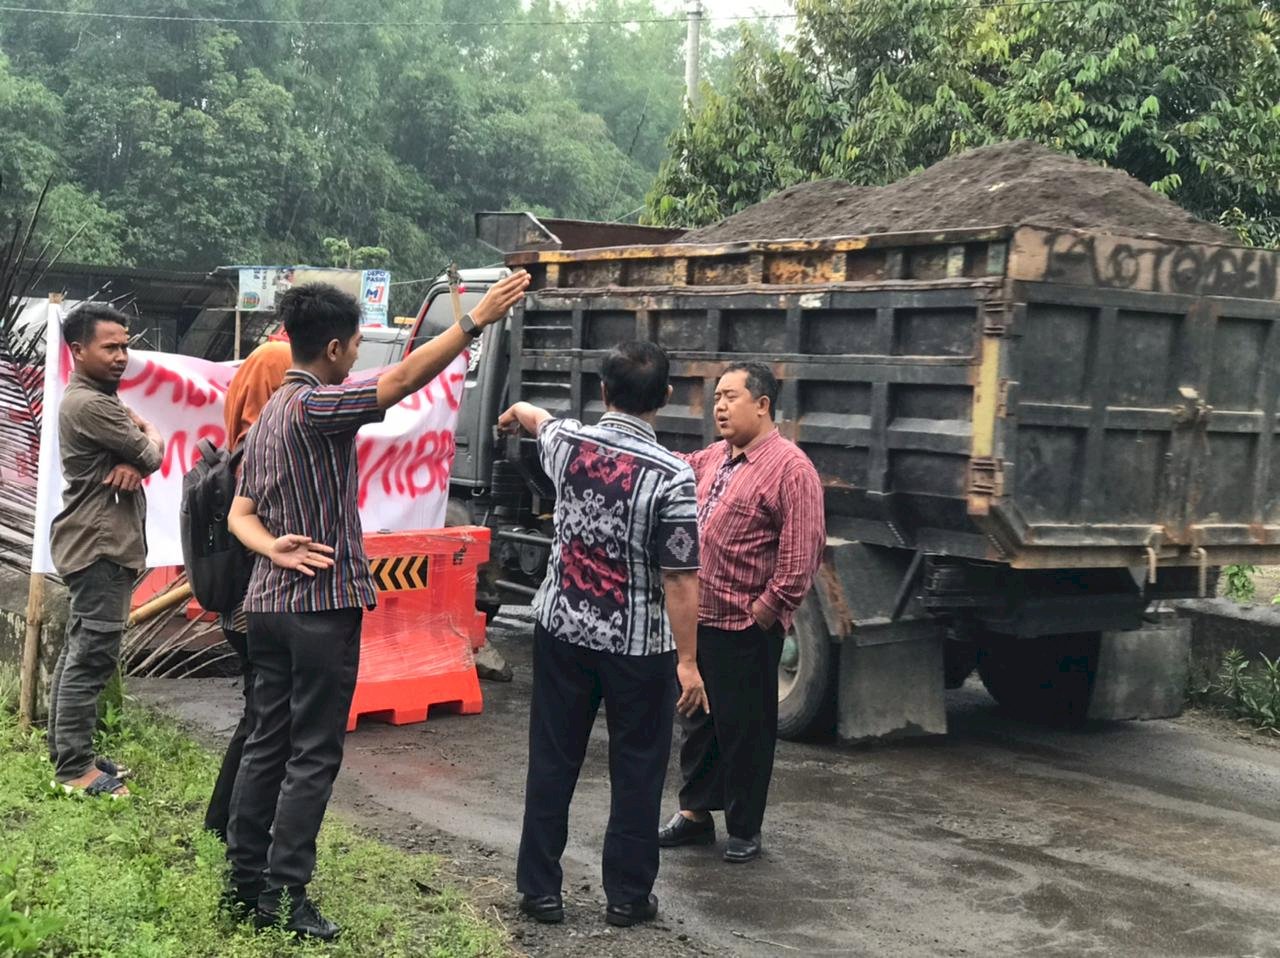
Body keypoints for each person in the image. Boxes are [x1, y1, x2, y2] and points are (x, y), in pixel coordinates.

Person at [224, 273, 528, 940]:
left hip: (267, 607)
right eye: (357, 346)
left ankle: (242, 886)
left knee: (266, 743)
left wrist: (272, 548)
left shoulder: (271, 413)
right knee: (312, 753)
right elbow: (401, 382)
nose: (360, 359)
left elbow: (239, 514)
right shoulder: (314, 406)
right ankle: (285, 897)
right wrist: (471, 324)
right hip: (319, 606)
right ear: (334, 349)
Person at [500, 341, 709, 930]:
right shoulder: (673, 476)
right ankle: (627, 897)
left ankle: (540, 891)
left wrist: (518, 408)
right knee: (638, 771)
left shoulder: (568, 444)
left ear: (604, 392)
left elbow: (541, 421)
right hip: (638, 649)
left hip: (562, 631)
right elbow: (680, 578)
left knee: (553, 759)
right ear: (665, 398)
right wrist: (688, 662)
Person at [658, 362, 825, 864]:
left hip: (745, 627)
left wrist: (764, 614)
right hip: (699, 618)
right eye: (716, 399)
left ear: (763, 404)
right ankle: (694, 815)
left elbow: (801, 556)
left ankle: (745, 827)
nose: (721, 407)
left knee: (745, 729)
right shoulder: (713, 457)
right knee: (697, 721)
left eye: (731, 397)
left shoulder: (791, 469)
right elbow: (672, 465)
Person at [46, 303, 165, 799]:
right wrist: (145, 440)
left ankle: (69, 752)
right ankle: (74, 770)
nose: (122, 356)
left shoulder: (97, 398)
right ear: (78, 350)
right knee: (92, 656)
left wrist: (137, 455)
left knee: (81, 650)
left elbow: (141, 456)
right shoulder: (92, 405)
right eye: (110, 347)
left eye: (125, 344)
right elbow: (154, 450)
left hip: (97, 541)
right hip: (99, 546)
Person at [203, 340, 292, 842]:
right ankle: (233, 828)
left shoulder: (238, 449)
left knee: (258, 715)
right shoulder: (259, 454)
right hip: (254, 607)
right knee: (264, 722)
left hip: (242, 607)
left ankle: (224, 820)